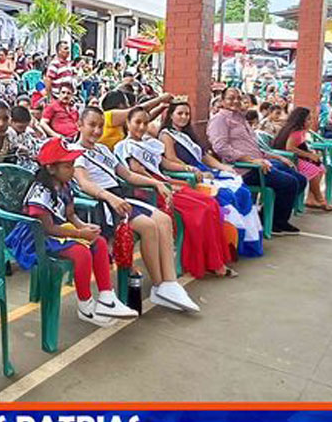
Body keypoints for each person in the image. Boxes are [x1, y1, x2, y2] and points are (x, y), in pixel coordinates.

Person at [73, 108, 197, 312]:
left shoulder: (103, 150)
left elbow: (128, 175)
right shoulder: (75, 152)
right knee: (148, 226)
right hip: (103, 203)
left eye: (100, 126)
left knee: (164, 220)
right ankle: (158, 284)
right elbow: (84, 183)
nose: (96, 130)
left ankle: (169, 283)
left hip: (120, 196)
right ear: (80, 125)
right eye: (92, 125)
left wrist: (156, 183)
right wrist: (109, 197)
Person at [24, 138, 139, 326]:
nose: (72, 170)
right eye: (67, 166)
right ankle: (85, 305)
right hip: (39, 236)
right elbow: (47, 228)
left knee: (99, 242)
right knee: (82, 253)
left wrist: (83, 226)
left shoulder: (65, 185)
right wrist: (79, 234)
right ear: (51, 168)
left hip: (62, 230)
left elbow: (70, 215)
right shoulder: (41, 192)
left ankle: (107, 298)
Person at [117, 107, 234, 280]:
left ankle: (214, 260)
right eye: (137, 122)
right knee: (200, 210)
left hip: (166, 183)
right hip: (149, 191)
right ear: (128, 123)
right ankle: (209, 264)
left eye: (145, 123)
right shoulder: (124, 146)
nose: (141, 127)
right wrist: (162, 184)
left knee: (211, 204)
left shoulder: (149, 143)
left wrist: (188, 168)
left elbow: (165, 164)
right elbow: (136, 170)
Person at [159, 101, 263, 257]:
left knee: (242, 191)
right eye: (180, 113)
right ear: (171, 115)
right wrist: (192, 169)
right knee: (226, 195)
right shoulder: (167, 135)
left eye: (187, 114)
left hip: (203, 171)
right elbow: (171, 160)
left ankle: (243, 243)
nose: (184, 117)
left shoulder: (188, 134)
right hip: (188, 176)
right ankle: (226, 246)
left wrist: (223, 167)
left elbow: (204, 156)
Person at [208, 88, 307, 235]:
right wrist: (250, 160)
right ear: (222, 101)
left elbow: (255, 148)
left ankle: (267, 215)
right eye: (230, 98)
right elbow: (221, 147)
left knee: (300, 179)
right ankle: (275, 223)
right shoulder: (220, 119)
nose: (235, 101)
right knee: (289, 183)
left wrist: (278, 157)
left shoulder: (241, 119)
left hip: (259, 162)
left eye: (238, 98)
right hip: (244, 169)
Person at [273, 107, 332, 212]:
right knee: (313, 170)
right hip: (288, 159)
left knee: (321, 168)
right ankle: (320, 199)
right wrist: (309, 155)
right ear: (300, 120)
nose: (311, 121)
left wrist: (311, 155)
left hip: (294, 158)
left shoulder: (300, 131)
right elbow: (290, 148)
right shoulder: (296, 132)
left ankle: (311, 198)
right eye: (308, 119)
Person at [96, 91, 171, 151]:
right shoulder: (108, 116)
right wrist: (160, 99)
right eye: (127, 102)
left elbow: (144, 119)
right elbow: (137, 111)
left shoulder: (121, 123)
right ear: (120, 105)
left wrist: (162, 107)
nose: (128, 105)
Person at [10, 105, 41, 172]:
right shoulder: (9, 134)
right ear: (11, 121)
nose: (23, 130)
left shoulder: (26, 133)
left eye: (25, 127)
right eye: (20, 127)